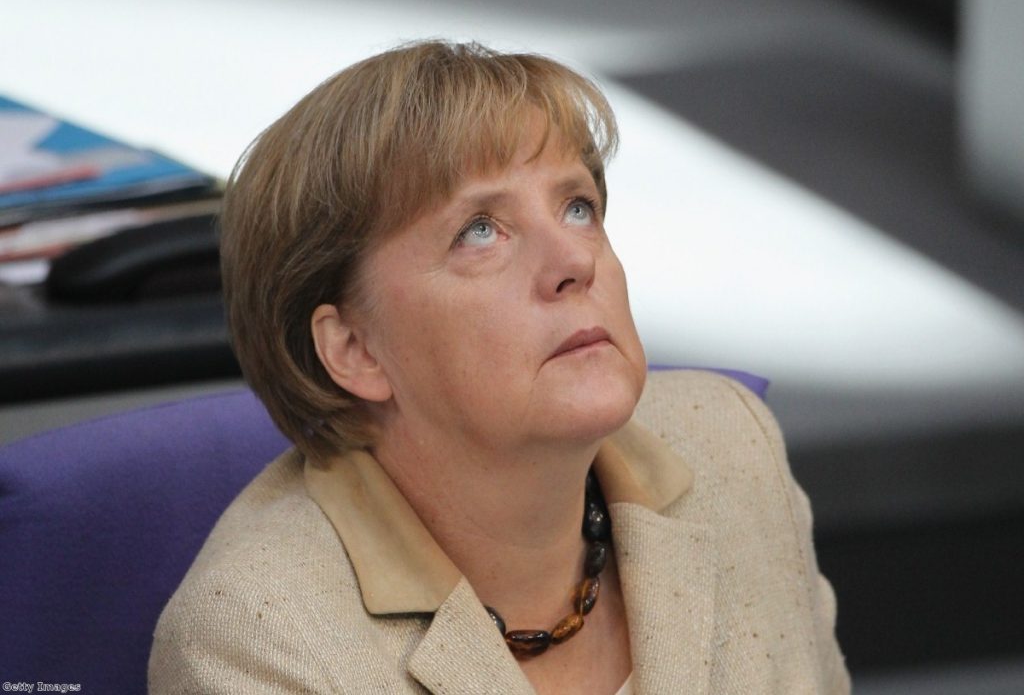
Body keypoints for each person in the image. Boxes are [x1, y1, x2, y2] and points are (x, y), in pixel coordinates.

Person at [149, 41, 850, 694]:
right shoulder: (258, 639)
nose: (576, 262)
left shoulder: (732, 443)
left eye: (578, 208)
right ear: (354, 351)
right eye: (480, 231)